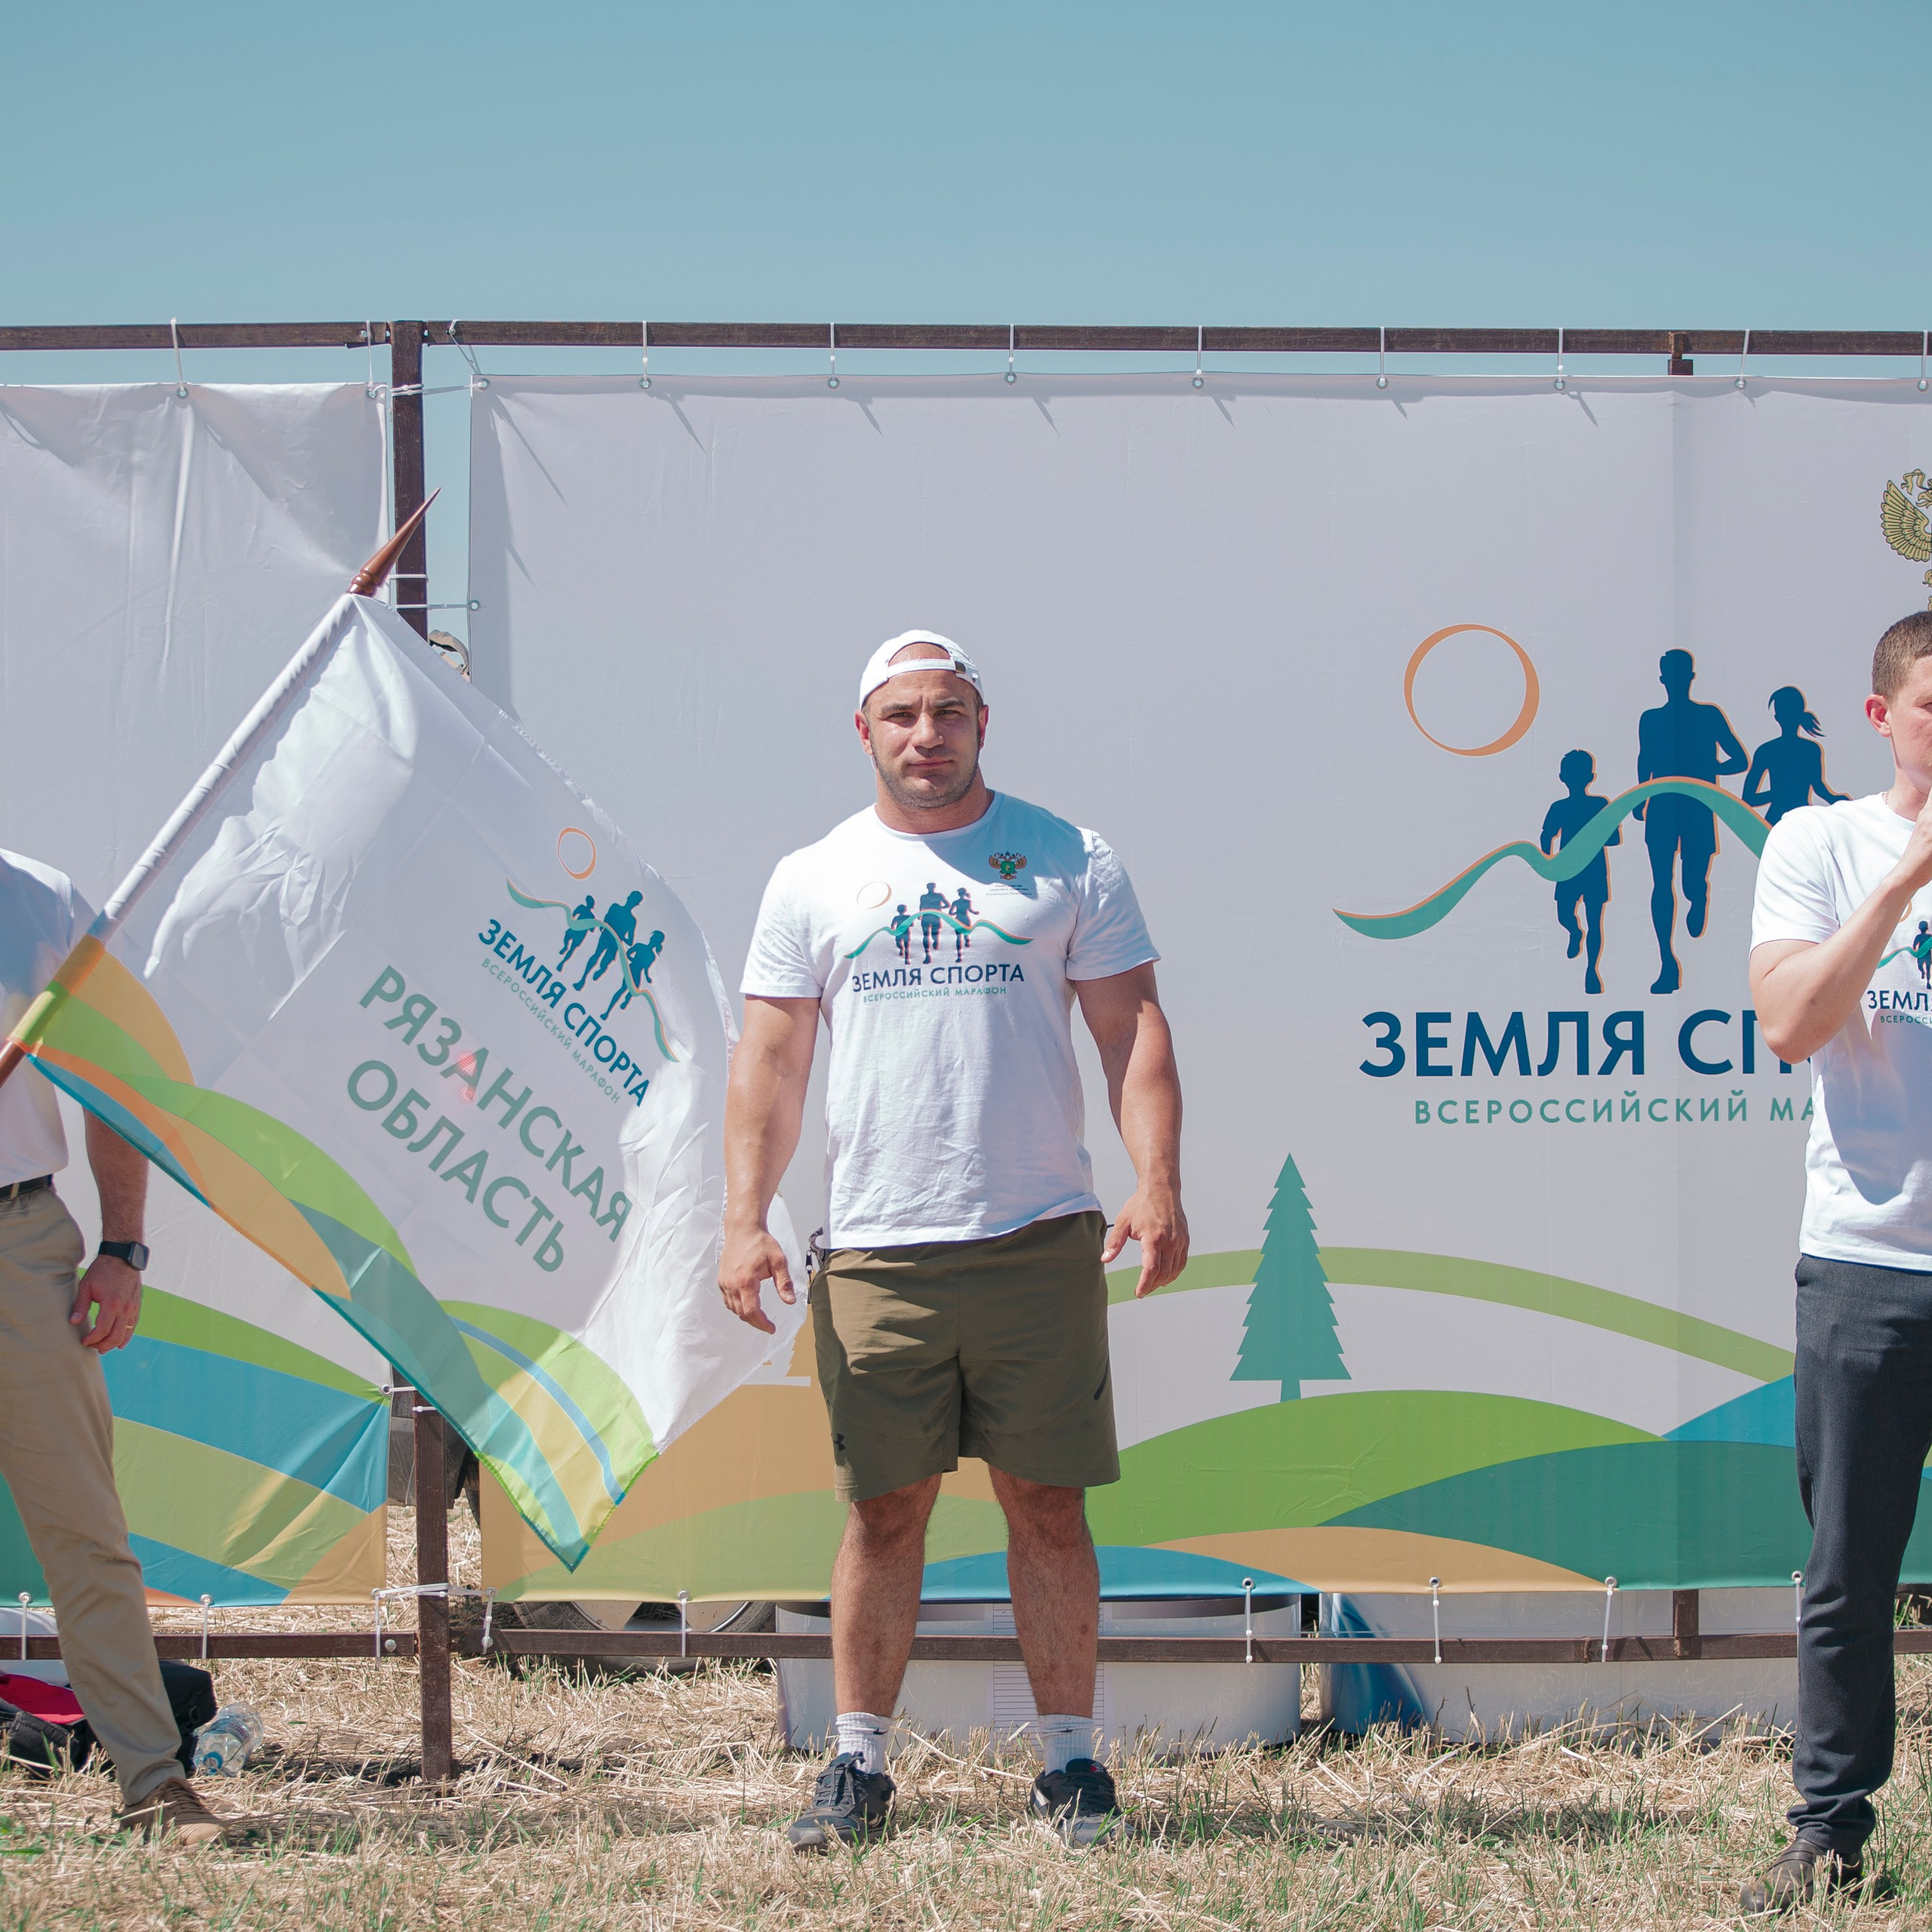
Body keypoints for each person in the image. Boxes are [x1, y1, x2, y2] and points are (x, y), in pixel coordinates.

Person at [719, 630, 1187, 1852]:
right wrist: (740, 1219)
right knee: (885, 1510)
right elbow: (769, 1063)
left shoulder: (1067, 858)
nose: (927, 736)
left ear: (983, 720)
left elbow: (1131, 1027)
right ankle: (859, 1767)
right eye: (902, 717)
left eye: (948, 713)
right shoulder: (814, 878)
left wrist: (1158, 1181)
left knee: (1048, 1505)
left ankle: (1072, 1768)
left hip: (1037, 1240)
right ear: (864, 733)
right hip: (877, 1250)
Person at [1745, 608, 1932, 1913]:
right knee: (1848, 1574)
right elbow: (1792, 1023)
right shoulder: (1818, 841)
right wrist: (1903, 885)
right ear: (1882, 716)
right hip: (1871, 1265)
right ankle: (1831, 1827)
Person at [0, 849, 229, 1846]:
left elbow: (113, 1078)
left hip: (20, 1242)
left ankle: (153, 1785)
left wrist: (124, 1245)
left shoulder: (40, 900)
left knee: (83, 1533)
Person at [1636, 649, 1748, 994]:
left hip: (1698, 806)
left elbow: (1739, 759)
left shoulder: (1708, 715)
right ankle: (1667, 962)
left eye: (1679, 675)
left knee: (1692, 881)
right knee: (1661, 882)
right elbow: (1645, 761)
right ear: (1664, 681)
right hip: (1662, 809)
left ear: (1689, 679)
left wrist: (1706, 770)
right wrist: (1642, 798)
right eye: (1670, 676)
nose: (1674, 681)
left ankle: (1698, 896)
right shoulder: (1651, 719)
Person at [1539, 749, 1618, 996]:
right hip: (1568, 869)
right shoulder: (1559, 807)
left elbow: (1613, 838)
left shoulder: (1600, 804)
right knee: (1564, 914)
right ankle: (1574, 931)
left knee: (1595, 922)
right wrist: (1548, 859)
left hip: (1593, 869)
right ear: (1563, 777)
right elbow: (1546, 835)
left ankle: (1592, 971)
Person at [1743, 686, 1848, 827]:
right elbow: (1748, 799)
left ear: (1777, 718)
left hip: (1800, 821)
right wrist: (1779, 794)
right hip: (1780, 823)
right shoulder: (1768, 751)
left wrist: (1836, 800)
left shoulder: (1809, 749)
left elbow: (1818, 786)